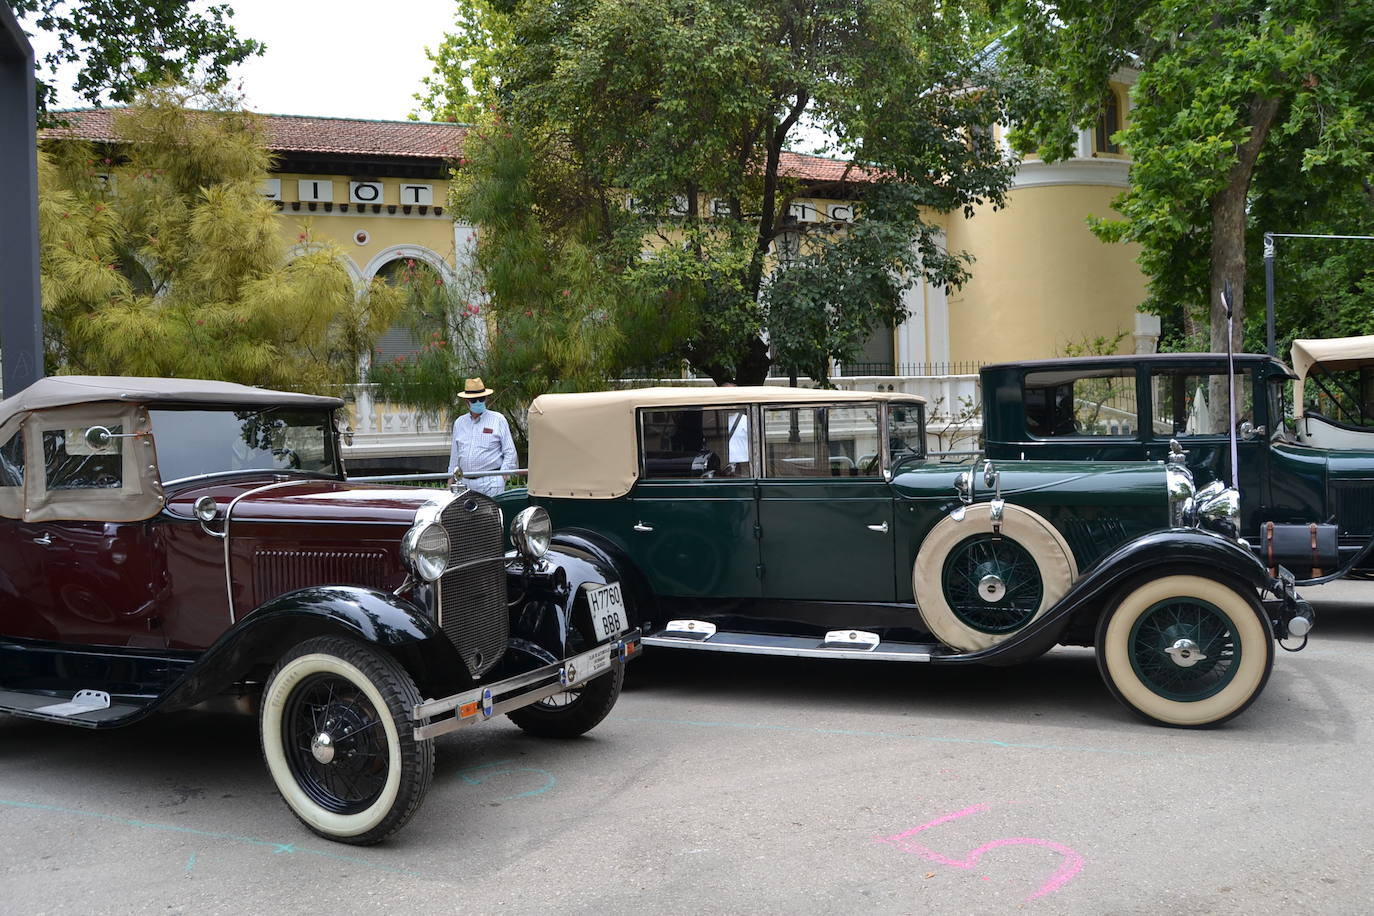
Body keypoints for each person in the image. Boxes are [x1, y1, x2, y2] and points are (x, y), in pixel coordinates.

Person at [448, 377, 517, 497]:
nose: (478, 402)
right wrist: (450, 479)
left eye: (481, 399)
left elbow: (510, 451)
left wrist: (503, 476)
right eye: (474, 400)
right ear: (466, 401)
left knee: (493, 515)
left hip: (491, 481)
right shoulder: (459, 422)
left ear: (486, 399)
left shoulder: (498, 419)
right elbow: (455, 455)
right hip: (465, 482)